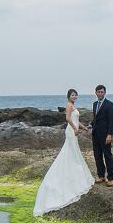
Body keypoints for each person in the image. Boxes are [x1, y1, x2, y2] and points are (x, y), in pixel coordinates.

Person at [33, 88, 95, 216]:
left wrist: (83, 127)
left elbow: (76, 119)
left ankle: (73, 172)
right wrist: (75, 129)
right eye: (72, 95)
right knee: (70, 152)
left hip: (75, 130)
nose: (74, 96)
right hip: (71, 132)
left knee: (74, 153)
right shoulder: (68, 105)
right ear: (68, 96)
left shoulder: (73, 106)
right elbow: (68, 118)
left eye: (75, 94)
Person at [90, 83, 113, 185]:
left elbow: (111, 121)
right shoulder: (95, 104)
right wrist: (90, 125)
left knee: (107, 155)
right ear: (96, 93)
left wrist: (110, 134)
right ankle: (101, 176)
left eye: (102, 92)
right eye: (98, 91)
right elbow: (95, 119)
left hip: (105, 135)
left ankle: (110, 178)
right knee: (97, 155)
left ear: (105, 93)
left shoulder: (109, 104)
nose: (100, 93)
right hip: (95, 134)